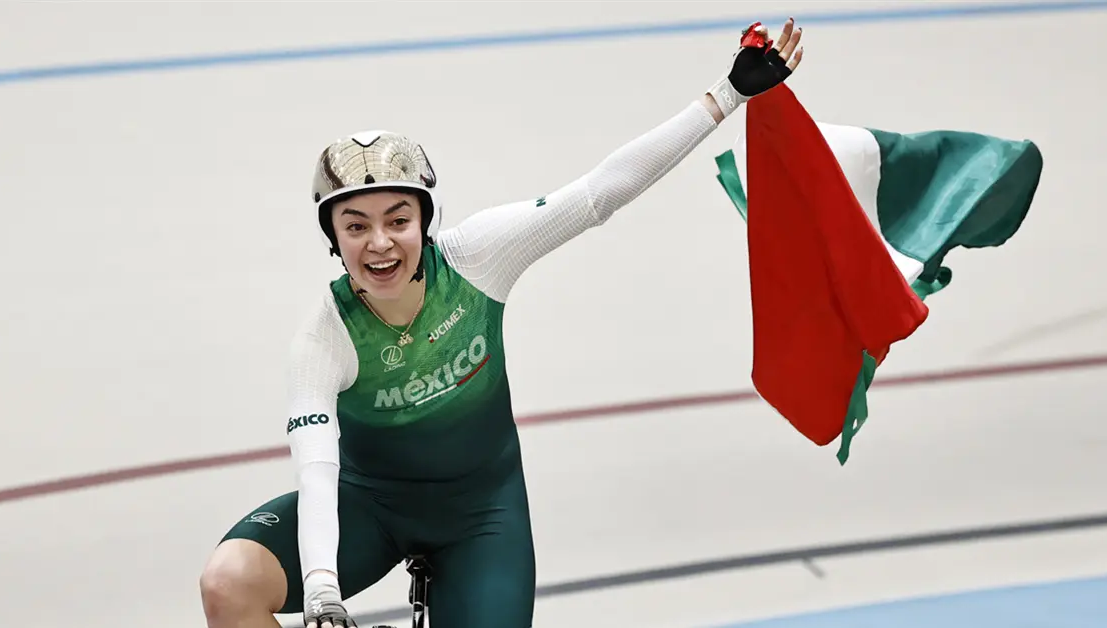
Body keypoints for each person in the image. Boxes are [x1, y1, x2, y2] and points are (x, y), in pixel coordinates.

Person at [198, 17, 805, 628]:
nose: (379, 243)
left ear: (425, 219)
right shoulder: (322, 337)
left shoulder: (478, 257)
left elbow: (599, 193)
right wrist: (323, 591)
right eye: (356, 225)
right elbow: (317, 469)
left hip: (481, 515)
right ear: (334, 237)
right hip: (368, 509)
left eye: (397, 219)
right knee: (228, 584)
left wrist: (726, 97)